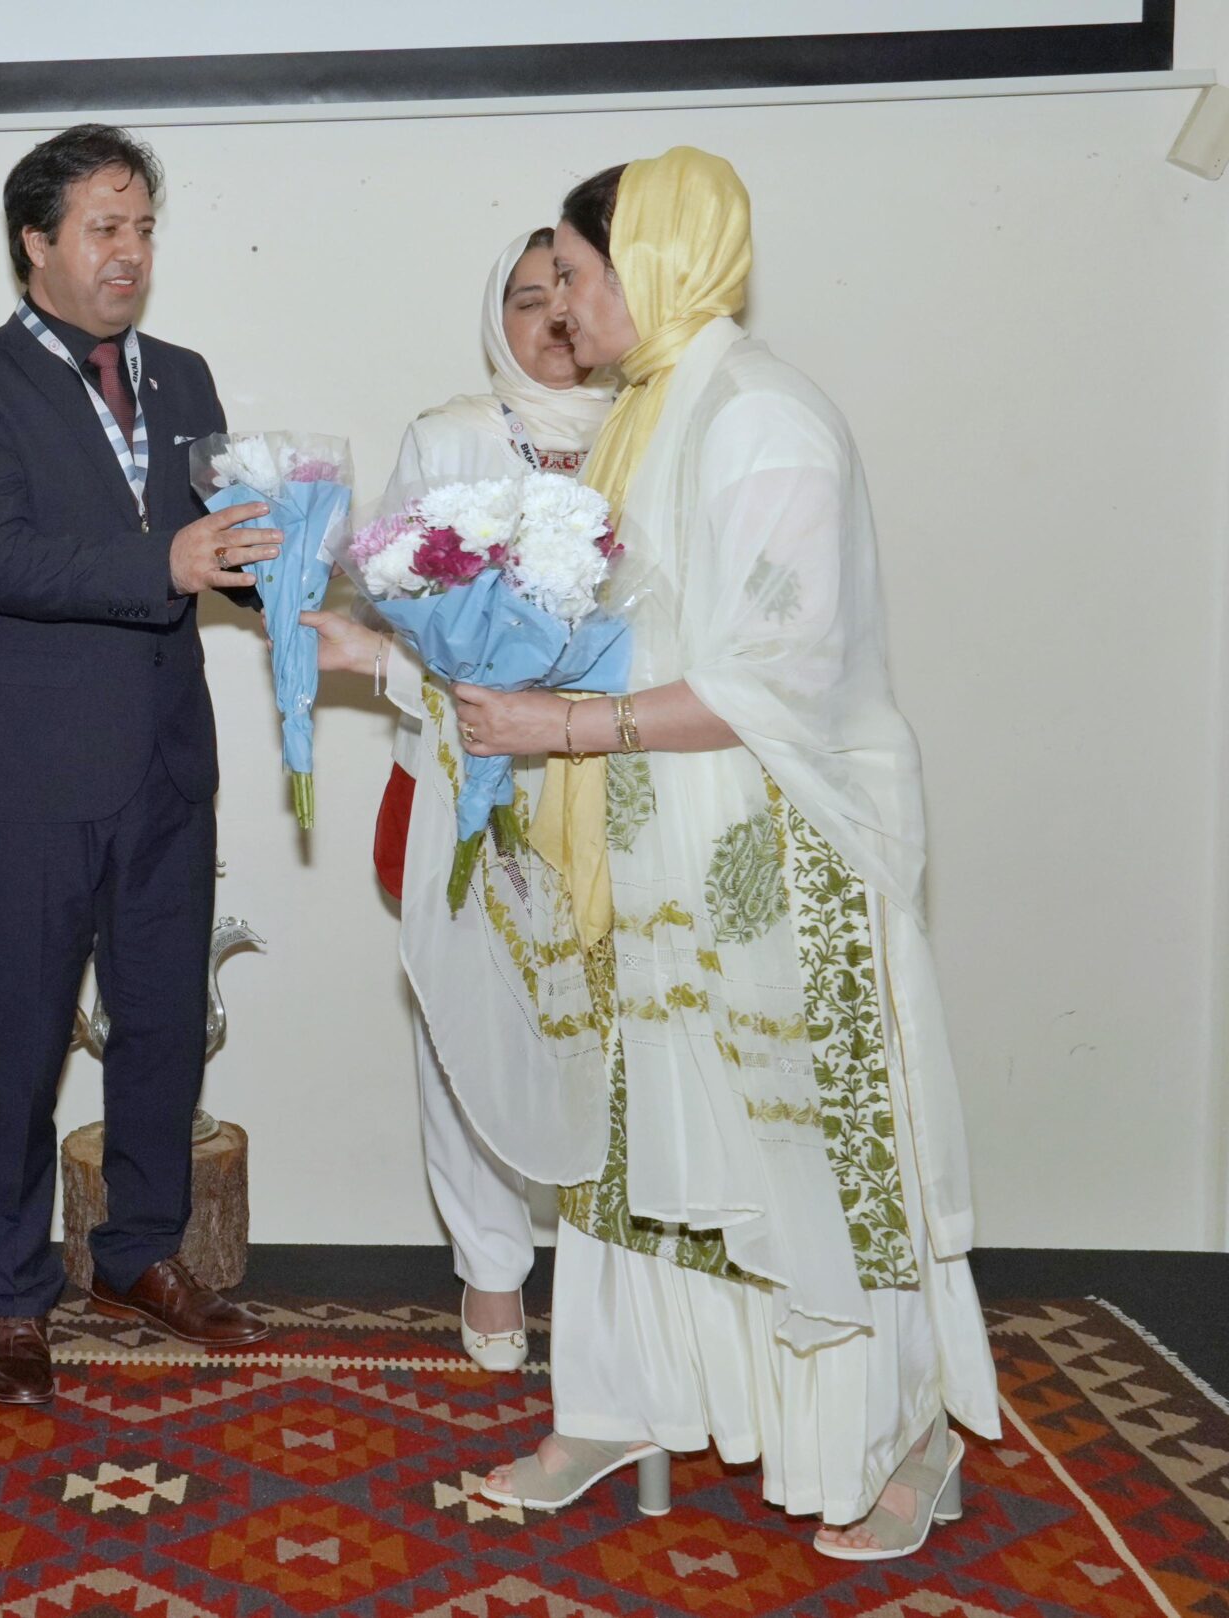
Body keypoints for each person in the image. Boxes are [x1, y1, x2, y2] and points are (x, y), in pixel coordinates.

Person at [452, 147, 998, 1559]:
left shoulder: (762, 416)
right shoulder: (644, 413)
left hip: (772, 847)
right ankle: (623, 1398)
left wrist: (565, 728)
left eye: (576, 273)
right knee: (628, 1138)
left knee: (802, 1151)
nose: (560, 306)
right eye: (551, 281)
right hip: (646, 840)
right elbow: (607, 630)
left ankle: (903, 1435)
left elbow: (775, 679)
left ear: (657, 258)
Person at [0, 124, 277, 1409]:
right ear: (36, 242)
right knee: (17, 1049)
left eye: (143, 231)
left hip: (168, 765)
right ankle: (11, 1295)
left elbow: (214, 549)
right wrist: (165, 563)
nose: (130, 254)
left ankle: (138, 1253)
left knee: (164, 1028)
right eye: (103, 230)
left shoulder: (183, 376)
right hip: (26, 776)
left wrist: (289, 555)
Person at [304, 230, 615, 1372]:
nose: (552, 318)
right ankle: (490, 1269)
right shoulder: (450, 436)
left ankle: (613, 1273)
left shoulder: (652, 427)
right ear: (497, 320)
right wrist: (416, 672)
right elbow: (396, 607)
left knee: (612, 1030)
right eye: (526, 299)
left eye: (568, 291)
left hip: (612, 774)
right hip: (458, 774)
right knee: (466, 1023)